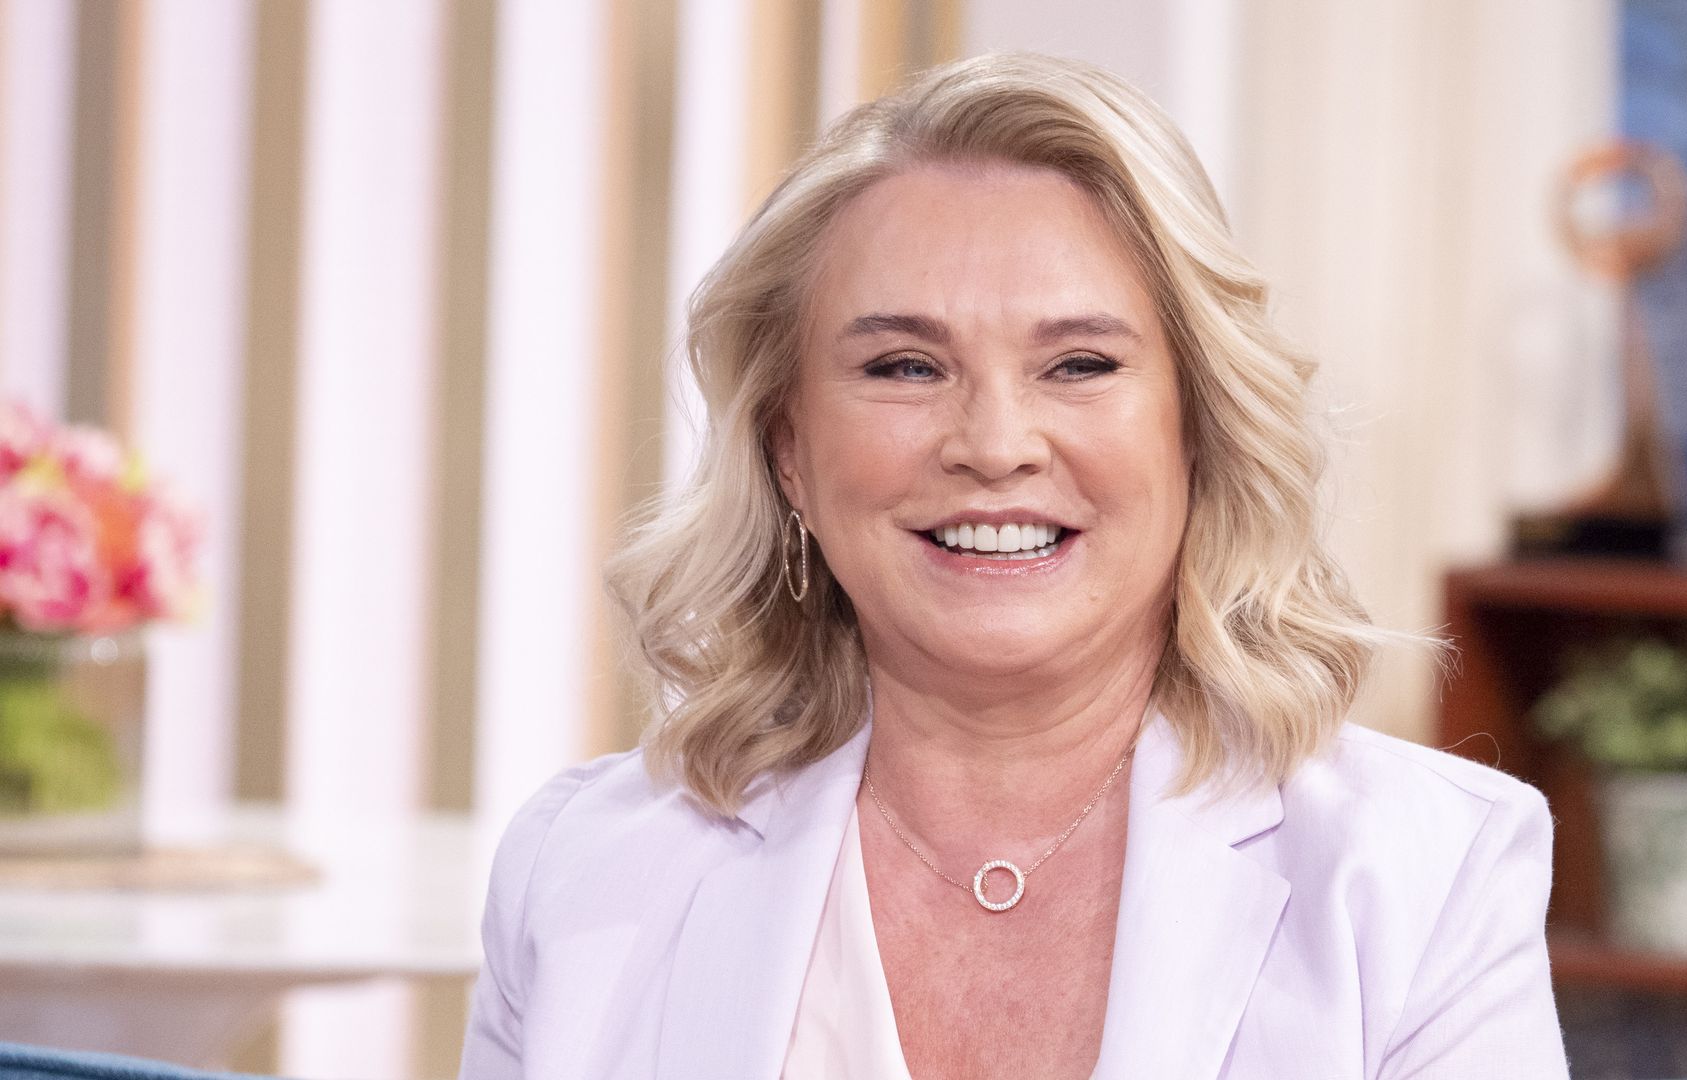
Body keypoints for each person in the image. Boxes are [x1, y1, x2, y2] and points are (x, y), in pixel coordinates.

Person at [457, 51, 1569, 1080]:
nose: (994, 444)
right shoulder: (580, 874)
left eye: (1079, 364)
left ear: (1196, 430)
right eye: (903, 366)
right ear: (789, 450)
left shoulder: (1425, 874)